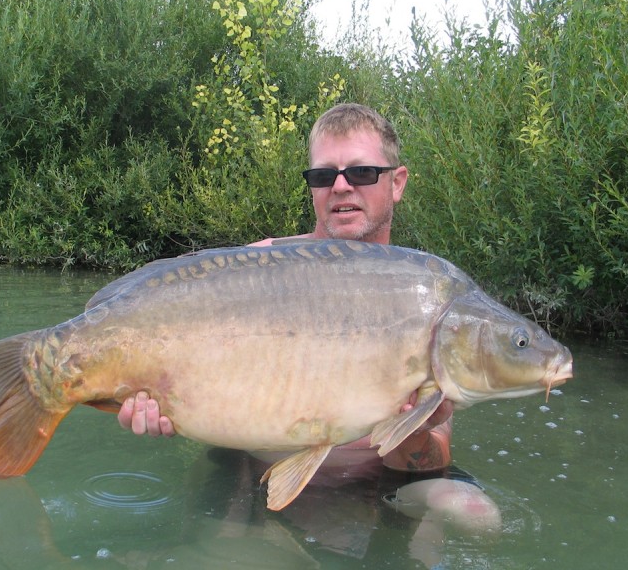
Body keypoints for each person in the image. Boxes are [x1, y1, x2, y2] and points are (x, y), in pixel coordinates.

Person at [118, 102, 454, 473]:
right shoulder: (248, 273)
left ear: (397, 183)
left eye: (361, 172)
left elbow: (433, 459)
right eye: (324, 176)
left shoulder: (423, 296)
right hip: (253, 475)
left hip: (372, 483)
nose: (341, 186)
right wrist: (154, 401)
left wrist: (414, 432)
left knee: (470, 512)